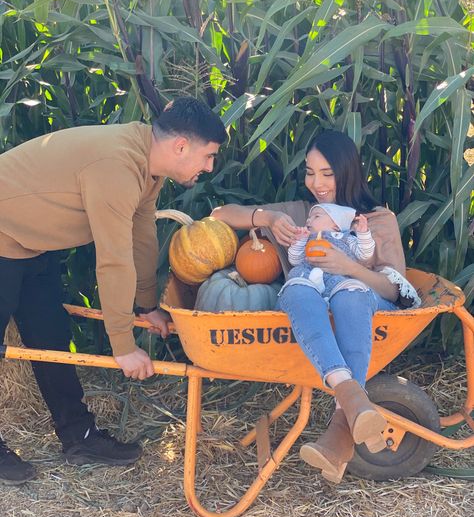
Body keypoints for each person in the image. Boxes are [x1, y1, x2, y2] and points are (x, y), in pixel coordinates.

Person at [0, 97, 227, 485]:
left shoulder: (146, 166)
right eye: (208, 156)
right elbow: (113, 258)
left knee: (52, 337)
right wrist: (123, 344)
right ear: (180, 147)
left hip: (31, 243)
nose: (209, 167)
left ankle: (79, 436)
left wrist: (147, 306)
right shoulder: (117, 168)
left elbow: (141, 237)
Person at [211, 130, 420, 484]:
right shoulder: (305, 215)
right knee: (294, 292)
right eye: (310, 172)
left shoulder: (375, 221)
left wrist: (349, 267)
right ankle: (351, 401)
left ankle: (342, 420)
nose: (317, 183)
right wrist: (267, 218)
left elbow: (395, 288)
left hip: (361, 301)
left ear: (348, 171)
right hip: (311, 304)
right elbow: (219, 214)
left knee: (348, 294)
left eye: (327, 173)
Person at [287, 203, 376, 299]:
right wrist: (299, 241)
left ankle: (334, 296)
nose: (308, 220)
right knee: (295, 273)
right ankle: (313, 288)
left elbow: (364, 254)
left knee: (345, 283)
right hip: (309, 275)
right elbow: (295, 261)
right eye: (309, 217)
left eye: (316, 216)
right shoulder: (307, 238)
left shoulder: (346, 238)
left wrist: (363, 234)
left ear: (336, 225)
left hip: (336, 277)